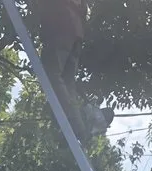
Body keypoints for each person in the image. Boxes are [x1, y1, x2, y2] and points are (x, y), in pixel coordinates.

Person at [37, 0, 113, 143]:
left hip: (60, 26)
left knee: (52, 75)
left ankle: (73, 121)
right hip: (75, 34)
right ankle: (79, 127)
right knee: (67, 83)